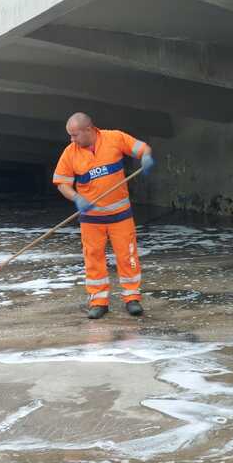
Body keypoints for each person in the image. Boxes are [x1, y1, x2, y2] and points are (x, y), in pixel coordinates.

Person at [53, 112, 155, 319]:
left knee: (127, 257)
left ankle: (132, 298)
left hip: (121, 215)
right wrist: (76, 197)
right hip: (91, 219)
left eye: (75, 135)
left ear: (89, 130)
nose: (72, 140)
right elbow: (62, 183)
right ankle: (99, 301)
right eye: (70, 136)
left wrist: (146, 156)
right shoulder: (70, 153)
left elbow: (141, 147)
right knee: (93, 259)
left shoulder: (115, 138)